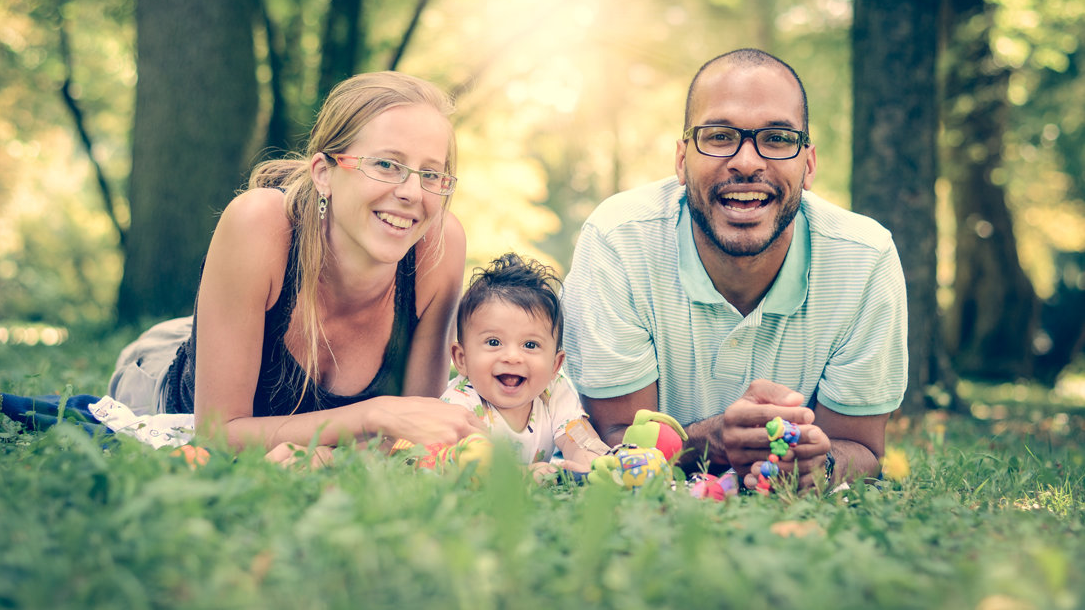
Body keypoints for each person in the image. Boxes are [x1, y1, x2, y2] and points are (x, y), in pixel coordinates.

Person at [561, 48, 908, 491]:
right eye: (720, 135)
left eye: (778, 138)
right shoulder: (618, 241)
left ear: (810, 164)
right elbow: (614, 441)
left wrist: (816, 465)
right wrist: (712, 441)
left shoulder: (865, 261)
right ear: (682, 160)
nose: (747, 162)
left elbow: (860, 449)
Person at [109, 71, 486, 452]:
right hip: (163, 385)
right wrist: (373, 415)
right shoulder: (258, 224)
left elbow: (412, 436)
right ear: (324, 173)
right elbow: (217, 433)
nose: (411, 192)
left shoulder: (439, 246)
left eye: (431, 173)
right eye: (386, 165)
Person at [440, 252, 610, 477]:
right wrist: (522, 476)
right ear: (461, 359)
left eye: (530, 345)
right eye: (494, 342)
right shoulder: (460, 403)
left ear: (555, 365)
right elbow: (460, 464)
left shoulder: (553, 391)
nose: (512, 357)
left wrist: (594, 463)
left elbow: (578, 436)